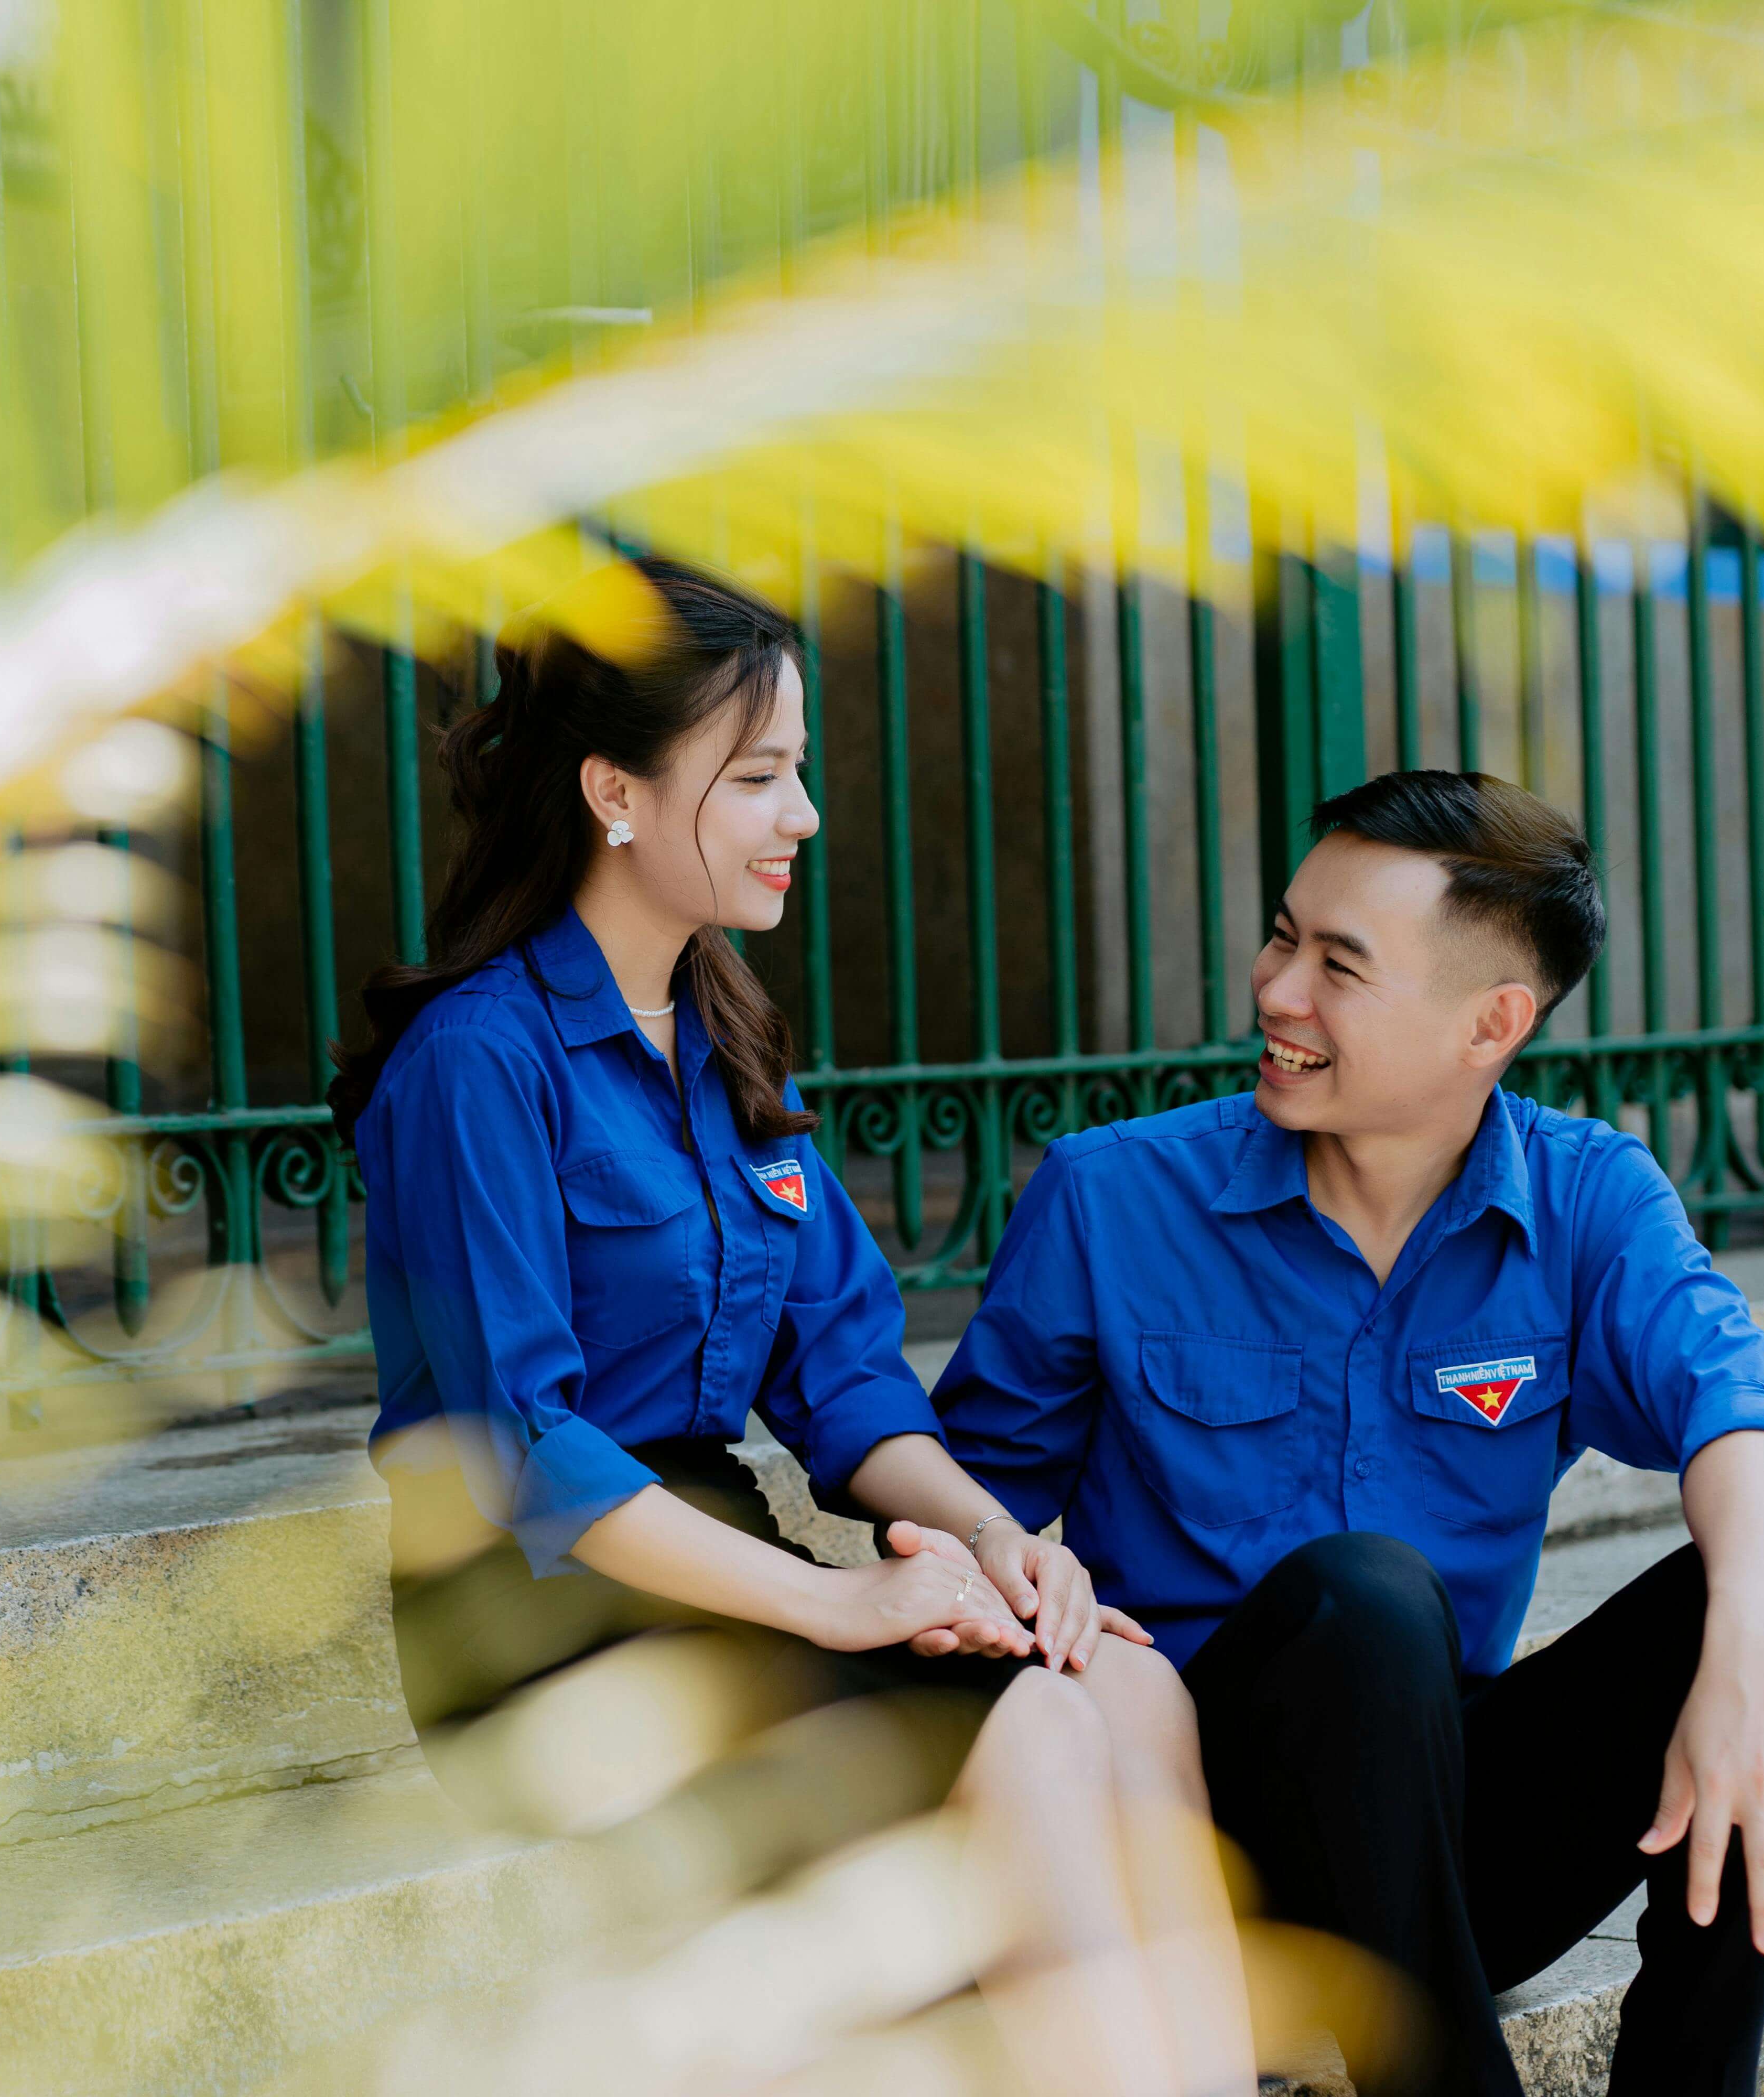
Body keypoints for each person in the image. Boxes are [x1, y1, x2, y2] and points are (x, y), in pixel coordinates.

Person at [327, 556, 1253, 2097]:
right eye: (760, 776)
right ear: (614, 794)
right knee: (1026, 1738)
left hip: (732, 1557)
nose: (804, 814)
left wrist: (996, 1538)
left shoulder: (729, 1036)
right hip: (541, 1618)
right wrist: (837, 1608)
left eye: (798, 770)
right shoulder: (477, 1062)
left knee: (1123, 1680)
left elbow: (845, 1379)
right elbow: (527, 1453)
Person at [929, 770, 1764, 2097]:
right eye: (1281, 935)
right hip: (1199, 1846)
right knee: (1359, 1600)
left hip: (1443, 1850)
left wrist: (1755, 1657)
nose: (1277, 992)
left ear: (1492, 1022)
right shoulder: (1111, 1198)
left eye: (1340, 966)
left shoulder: (1585, 1192)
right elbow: (962, 1523)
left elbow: (1748, 1418)